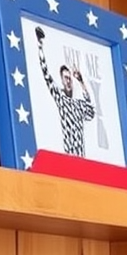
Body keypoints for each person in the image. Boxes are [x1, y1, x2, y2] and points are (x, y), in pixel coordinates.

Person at [33, 24, 95, 157]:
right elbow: (46, 75)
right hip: (69, 157)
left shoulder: (79, 105)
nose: (68, 81)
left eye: (70, 78)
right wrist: (40, 46)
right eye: (65, 78)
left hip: (81, 157)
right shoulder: (61, 99)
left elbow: (91, 112)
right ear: (61, 80)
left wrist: (82, 81)